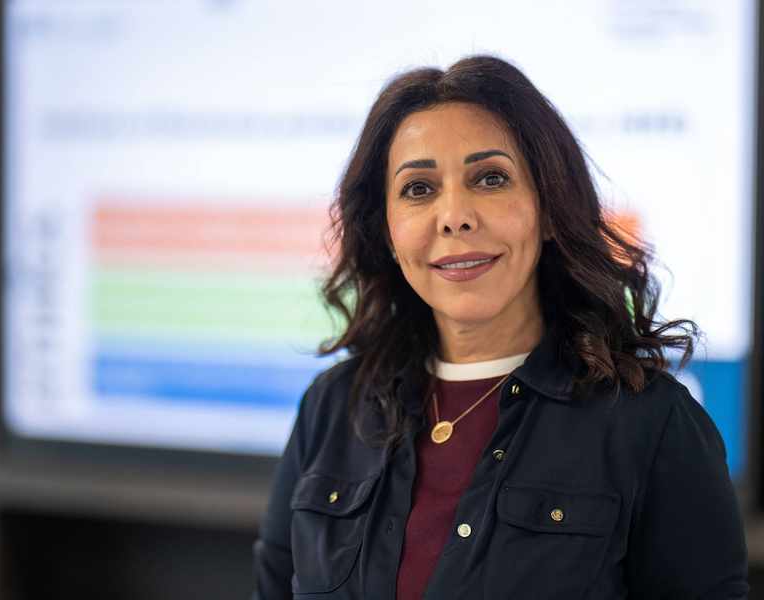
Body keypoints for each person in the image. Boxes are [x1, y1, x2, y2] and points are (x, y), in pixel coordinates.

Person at [250, 54, 749, 599]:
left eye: (491, 178)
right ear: (388, 231)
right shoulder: (332, 407)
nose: (454, 215)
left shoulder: (653, 426)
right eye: (419, 188)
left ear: (550, 209)